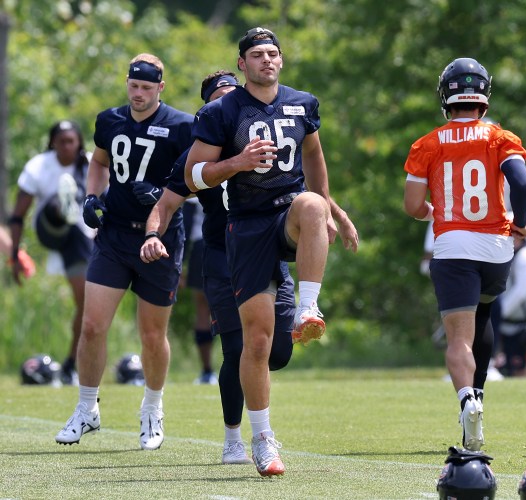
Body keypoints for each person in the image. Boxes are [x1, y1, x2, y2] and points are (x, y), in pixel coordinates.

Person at [183, 29, 358, 476]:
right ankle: (261, 438)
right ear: (241, 63)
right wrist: (237, 163)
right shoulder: (221, 111)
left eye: (273, 53)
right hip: (246, 227)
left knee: (311, 204)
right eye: (257, 54)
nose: (267, 60)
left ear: (281, 60)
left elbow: (313, 153)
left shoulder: (303, 102)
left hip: (287, 214)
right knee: (257, 342)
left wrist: (332, 207)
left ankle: (308, 307)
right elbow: (192, 176)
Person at [54, 53, 194, 451]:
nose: (138, 94)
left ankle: (152, 407)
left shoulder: (182, 126)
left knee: (152, 335)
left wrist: (167, 196)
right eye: (134, 86)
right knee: (93, 326)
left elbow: (193, 179)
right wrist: (92, 196)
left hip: (160, 239)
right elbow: (98, 162)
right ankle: (86, 408)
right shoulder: (109, 120)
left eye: (147, 88)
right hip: (115, 236)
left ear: (160, 88)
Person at [403, 57, 526, 451]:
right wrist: (520, 225)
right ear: (483, 95)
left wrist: (432, 212)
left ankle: (467, 399)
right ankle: (479, 396)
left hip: (453, 245)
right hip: (496, 248)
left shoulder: (427, 143)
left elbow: (412, 205)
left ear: (446, 95)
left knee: (459, 337)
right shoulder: (500, 137)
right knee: (485, 312)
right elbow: (522, 185)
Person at [8, 120, 93, 385]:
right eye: (61, 141)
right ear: (52, 143)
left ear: (79, 142)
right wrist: (14, 255)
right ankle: (62, 205)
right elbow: (18, 215)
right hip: (49, 229)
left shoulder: (91, 163)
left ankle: (71, 364)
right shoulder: (39, 166)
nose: (67, 146)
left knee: (86, 301)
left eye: (72, 141)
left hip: (79, 238)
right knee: (57, 205)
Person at [494, 234, 526, 377]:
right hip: (504, 325)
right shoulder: (505, 255)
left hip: (519, 325)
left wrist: (496, 314)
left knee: (520, 371)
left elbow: (521, 292)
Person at [181, 198, 218, 385]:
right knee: (234, 309)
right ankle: (235, 365)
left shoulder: (197, 175)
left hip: (200, 247)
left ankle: (207, 371)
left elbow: (186, 225)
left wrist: (179, 264)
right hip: (228, 242)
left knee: (203, 310)